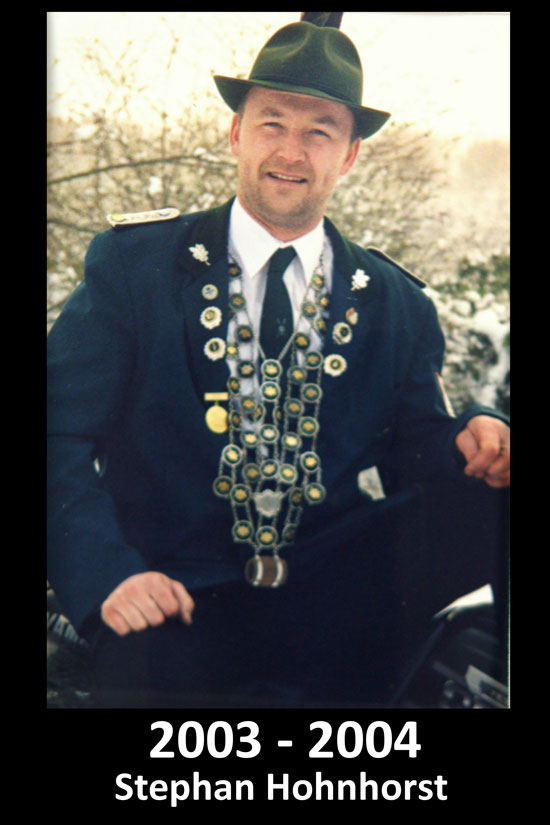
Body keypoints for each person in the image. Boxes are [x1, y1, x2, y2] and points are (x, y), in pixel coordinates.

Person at [47, 20, 510, 707]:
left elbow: (420, 449)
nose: (292, 151)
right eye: (272, 123)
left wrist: (474, 434)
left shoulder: (395, 301)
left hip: (334, 599)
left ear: (349, 156)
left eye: (320, 131)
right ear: (236, 133)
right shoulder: (135, 268)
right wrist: (108, 575)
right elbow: (57, 432)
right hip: (169, 594)